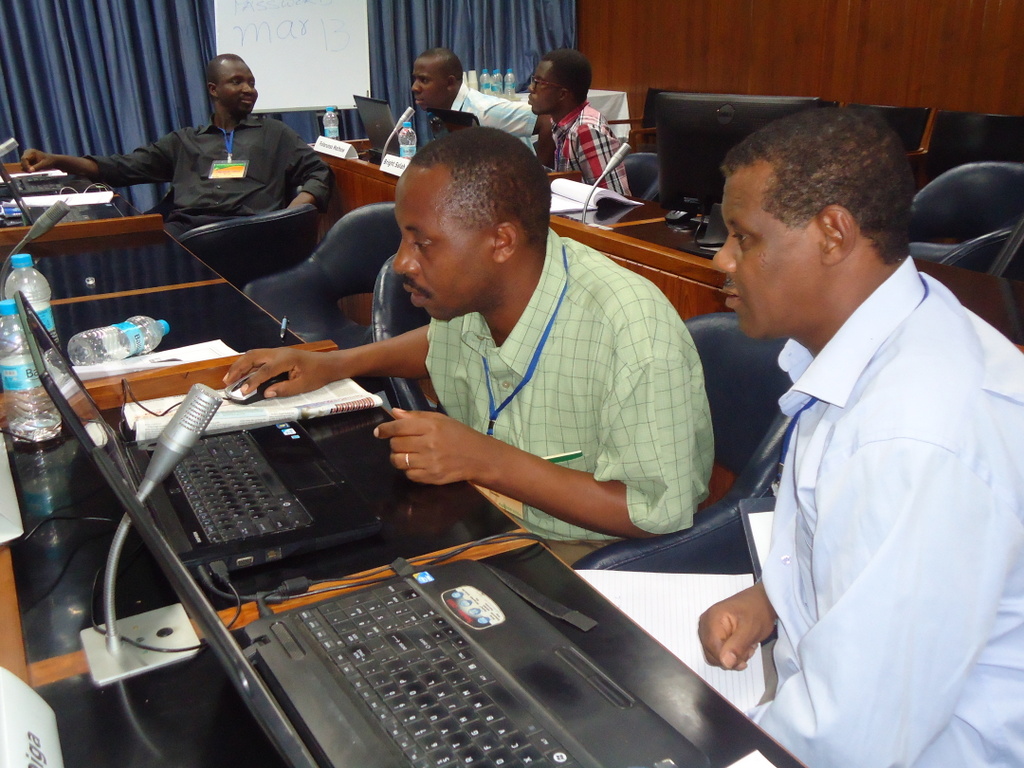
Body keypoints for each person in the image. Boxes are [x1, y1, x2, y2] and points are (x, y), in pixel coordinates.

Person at [697, 108, 1024, 767]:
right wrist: (776, 599)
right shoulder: (899, 327)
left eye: (744, 237)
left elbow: (849, 742)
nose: (723, 259)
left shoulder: (912, 435)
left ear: (832, 234)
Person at [224, 127, 713, 564]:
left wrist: (485, 459)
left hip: (587, 554)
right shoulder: (485, 293)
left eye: (422, 243)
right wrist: (331, 364)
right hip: (486, 516)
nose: (401, 263)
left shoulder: (633, 334)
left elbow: (656, 514)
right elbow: (436, 344)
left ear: (501, 242)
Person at [20, 54, 332, 238]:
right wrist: (56, 160)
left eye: (251, 82)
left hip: (250, 231)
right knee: (133, 246)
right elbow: (119, 168)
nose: (249, 89)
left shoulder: (275, 134)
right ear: (213, 89)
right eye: (237, 82)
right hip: (190, 232)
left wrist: (291, 214)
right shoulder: (185, 141)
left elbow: (319, 173)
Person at [527, 48, 630, 196]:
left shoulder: (587, 130)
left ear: (562, 94)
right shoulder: (562, 125)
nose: (531, 88)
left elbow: (613, 199)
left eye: (539, 83)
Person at [410, 48, 542, 146]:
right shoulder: (444, 112)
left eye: (424, 80)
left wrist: (544, 171)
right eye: (415, 79)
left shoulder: (484, 111)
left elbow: (545, 119)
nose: (414, 87)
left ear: (450, 83)